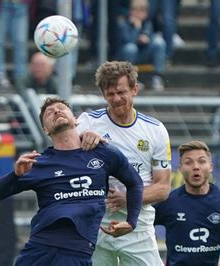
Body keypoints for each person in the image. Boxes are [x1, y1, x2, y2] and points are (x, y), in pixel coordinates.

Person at [0, 97, 144, 265]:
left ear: (75, 120)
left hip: (77, 252)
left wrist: (132, 222)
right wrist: (15, 175)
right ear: (45, 130)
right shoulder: (38, 163)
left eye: (61, 108)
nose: (56, 111)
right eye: (49, 113)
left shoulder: (103, 152)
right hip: (39, 249)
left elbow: (135, 183)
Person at [76, 61, 172, 265]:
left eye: (121, 92)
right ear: (103, 95)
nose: (116, 99)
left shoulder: (155, 130)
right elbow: (59, 143)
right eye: (110, 94)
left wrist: (128, 198)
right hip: (95, 225)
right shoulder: (88, 123)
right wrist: (82, 137)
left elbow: (163, 188)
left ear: (134, 89)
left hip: (138, 226)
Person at [153, 140, 220, 266]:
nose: (196, 167)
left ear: (210, 167)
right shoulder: (168, 201)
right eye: (188, 162)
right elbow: (143, 226)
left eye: (202, 161)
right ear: (180, 169)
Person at [115, 0, 167, 91]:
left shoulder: (147, 24)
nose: (138, 13)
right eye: (135, 10)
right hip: (127, 57)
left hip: (143, 53)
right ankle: (130, 79)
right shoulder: (124, 24)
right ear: (130, 11)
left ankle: (156, 77)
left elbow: (150, 37)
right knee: (131, 48)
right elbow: (127, 41)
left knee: (159, 42)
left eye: (142, 11)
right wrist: (136, 29)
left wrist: (147, 38)